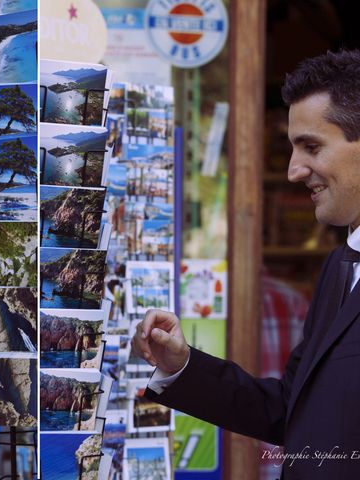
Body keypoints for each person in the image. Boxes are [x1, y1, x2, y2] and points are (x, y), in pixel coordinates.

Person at [131, 49, 360, 479]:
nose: (294, 170)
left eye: (311, 147)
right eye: (292, 148)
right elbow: (290, 410)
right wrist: (181, 365)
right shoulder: (338, 268)